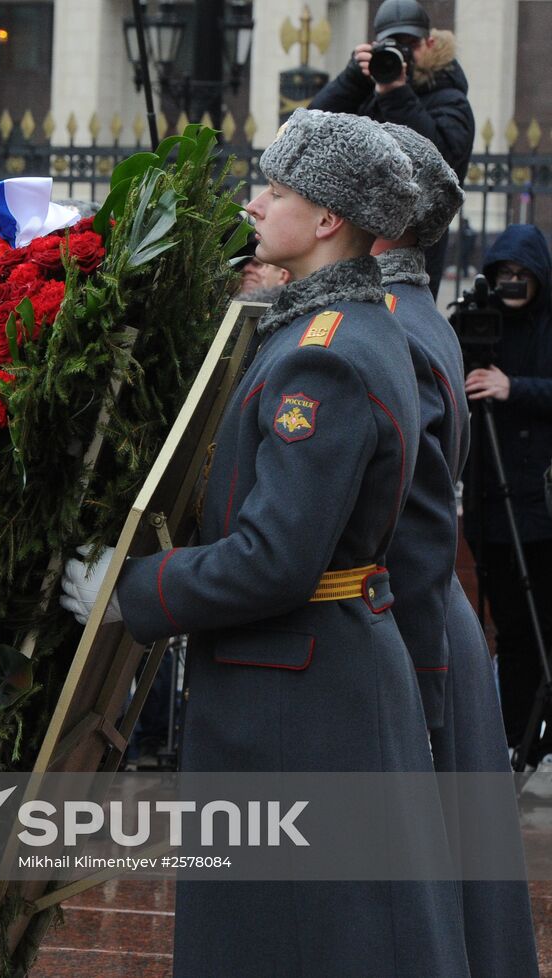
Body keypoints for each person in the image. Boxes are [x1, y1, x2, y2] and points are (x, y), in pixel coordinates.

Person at [61, 109, 467, 976]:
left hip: (298, 691)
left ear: (327, 220)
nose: (254, 203)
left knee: (296, 938)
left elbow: (274, 559)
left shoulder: (323, 354)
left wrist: (132, 589)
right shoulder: (340, 327)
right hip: (316, 675)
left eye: (275, 191)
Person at [373, 122, 538, 978]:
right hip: (430, 621)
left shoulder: (387, 325)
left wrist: (419, 681)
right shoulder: (405, 310)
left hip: (413, 620)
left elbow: (416, 521)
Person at [459, 224, 552, 757]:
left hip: (540, 509)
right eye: (504, 275)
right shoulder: (479, 326)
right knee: (512, 632)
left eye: (523, 275)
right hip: (493, 507)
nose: (514, 284)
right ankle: (518, 740)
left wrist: (512, 387)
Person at [309, 0, 474, 291]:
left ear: (430, 43)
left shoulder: (450, 99)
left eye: (410, 43)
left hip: (413, 248)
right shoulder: (367, 91)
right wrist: (350, 80)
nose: (401, 53)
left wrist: (396, 93)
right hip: (353, 238)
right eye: (391, 44)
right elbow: (311, 132)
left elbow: (442, 164)